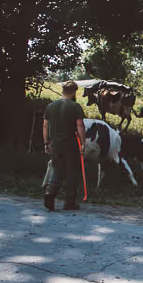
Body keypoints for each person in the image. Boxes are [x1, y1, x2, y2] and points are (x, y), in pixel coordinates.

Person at [43, 80, 86, 211]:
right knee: (71, 172)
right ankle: (69, 202)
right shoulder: (75, 106)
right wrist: (83, 143)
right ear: (74, 92)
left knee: (57, 169)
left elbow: (45, 125)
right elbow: (80, 125)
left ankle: (50, 194)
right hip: (70, 144)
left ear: (63, 91)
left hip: (55, 144)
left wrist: (46, 142)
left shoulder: (50, 106)